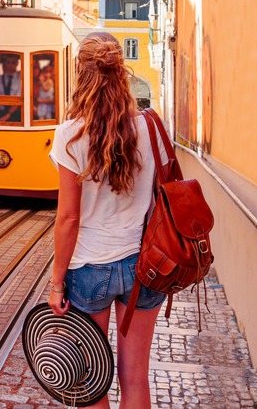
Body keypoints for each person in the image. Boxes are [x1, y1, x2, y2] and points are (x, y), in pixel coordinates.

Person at [47, 32, 168, 409]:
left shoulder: (70, 136)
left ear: (80, 74)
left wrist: (55, 283)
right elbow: (157, 197)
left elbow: (68, 217)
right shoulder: (149, 127)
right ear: (121, 74)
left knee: (92, 381)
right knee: (135, 380)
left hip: (89, 268)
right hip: (143, 264)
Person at [0, 54, 21, 122]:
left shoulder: (21, 79)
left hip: (15, 115)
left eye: (13, 62)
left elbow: (19, 98)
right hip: (0, 114)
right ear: (5, 64)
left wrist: (9, 114)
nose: (10, 65)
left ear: (17, 63)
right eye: (8, 62)